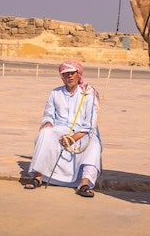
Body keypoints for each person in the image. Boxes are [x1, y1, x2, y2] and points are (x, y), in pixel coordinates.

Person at [24, 60, 102, 197]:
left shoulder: (88, 93)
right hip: (61, 128)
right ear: (62, 77)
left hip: (83, 132)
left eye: (72, 73)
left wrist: (72, 138)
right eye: (66, 74)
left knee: (94, 145)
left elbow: (90, 122)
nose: (69, 77)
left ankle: (84, 183)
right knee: (44, 134)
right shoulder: (55, 93)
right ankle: (38, 176)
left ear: (78, 75)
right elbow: (48, 114)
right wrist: (47, 123)